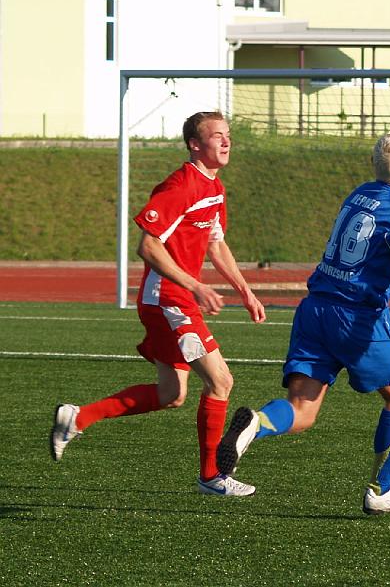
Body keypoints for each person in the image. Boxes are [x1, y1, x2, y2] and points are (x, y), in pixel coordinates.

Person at [216, 132, 390, 514]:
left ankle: (257, 422)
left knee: (302, 410)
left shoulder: (357, 195)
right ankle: (382, 488)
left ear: (373, 165)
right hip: (356, 318)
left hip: (314, 310)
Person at [50, 110, 266, 497]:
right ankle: (211, 476)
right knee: (221, 381)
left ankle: (78, 418)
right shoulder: (180, 185)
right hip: (167, 300)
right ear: (194, 144)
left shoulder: (215, 188)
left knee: (171, 394)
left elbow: (216, 245)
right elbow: (147, 245)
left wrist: (245, 292)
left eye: (227, 134)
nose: (226, 141)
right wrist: (195, 285)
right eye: (216, 135)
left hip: (175, 299)